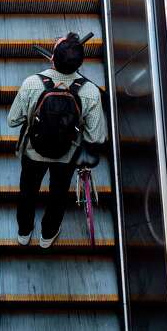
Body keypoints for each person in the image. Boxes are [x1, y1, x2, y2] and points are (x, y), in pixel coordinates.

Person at [7, 32, 107, 248]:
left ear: (52, 58)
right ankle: (47, 234)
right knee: (58, 195)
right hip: (67, 155)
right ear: (81, 62)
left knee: (27, 192)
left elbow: (12, 120)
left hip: (33, 152)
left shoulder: (32, 83)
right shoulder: (90, 92)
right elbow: (96, 136)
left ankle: (24, 232)